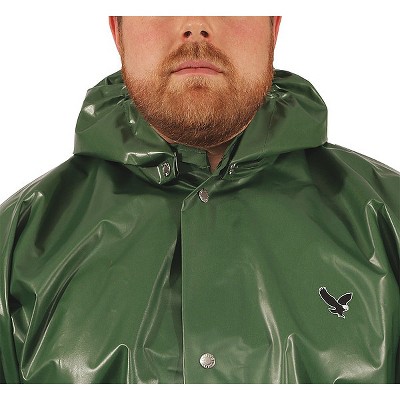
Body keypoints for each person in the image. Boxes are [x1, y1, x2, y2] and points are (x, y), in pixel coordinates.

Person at [0, 16, 398, 384]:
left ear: (273, 26)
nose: (195, 24)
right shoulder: (15, 245)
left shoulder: (388, 218)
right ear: (117, 30)